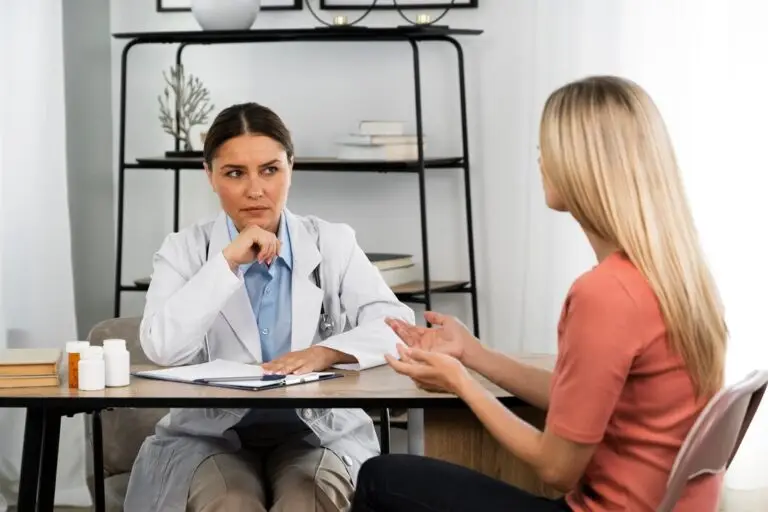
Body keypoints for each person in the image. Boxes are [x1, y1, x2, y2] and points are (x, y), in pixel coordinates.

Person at [351, 76, 727, 512]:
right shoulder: (675, 274)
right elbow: (578, 408)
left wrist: (462, 385)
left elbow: (557, 467)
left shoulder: (605, 294)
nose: (539, 159)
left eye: (546, 148)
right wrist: (473, 355)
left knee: (381, 477)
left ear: (583, 165)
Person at [122, 102, 415, 512]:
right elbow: (163, 347)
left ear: (290, 169)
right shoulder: (185, 251)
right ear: (209, 175)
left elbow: (397, 323)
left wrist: (326, 352)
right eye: (235, 173)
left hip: (318, 432)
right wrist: (225, 264)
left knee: (307, 501)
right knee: (230, 503)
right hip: (208, 436)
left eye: (270, 170)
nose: (255, 189)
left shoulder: (332, 242)